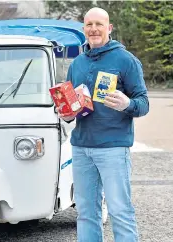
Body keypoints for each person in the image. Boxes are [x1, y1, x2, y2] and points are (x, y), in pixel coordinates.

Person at [59, 7, 149, 242]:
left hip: (113, 148)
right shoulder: (76, 64)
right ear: (84, 30)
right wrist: (66, 113)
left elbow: (144, 103)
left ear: (109, 28)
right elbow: (72, 107)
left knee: (120, 211)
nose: (94, 29)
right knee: (86, 213)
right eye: (89, 25)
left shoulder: (126, 60)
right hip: (81, 148)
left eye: (99, 24)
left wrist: (127, 103)